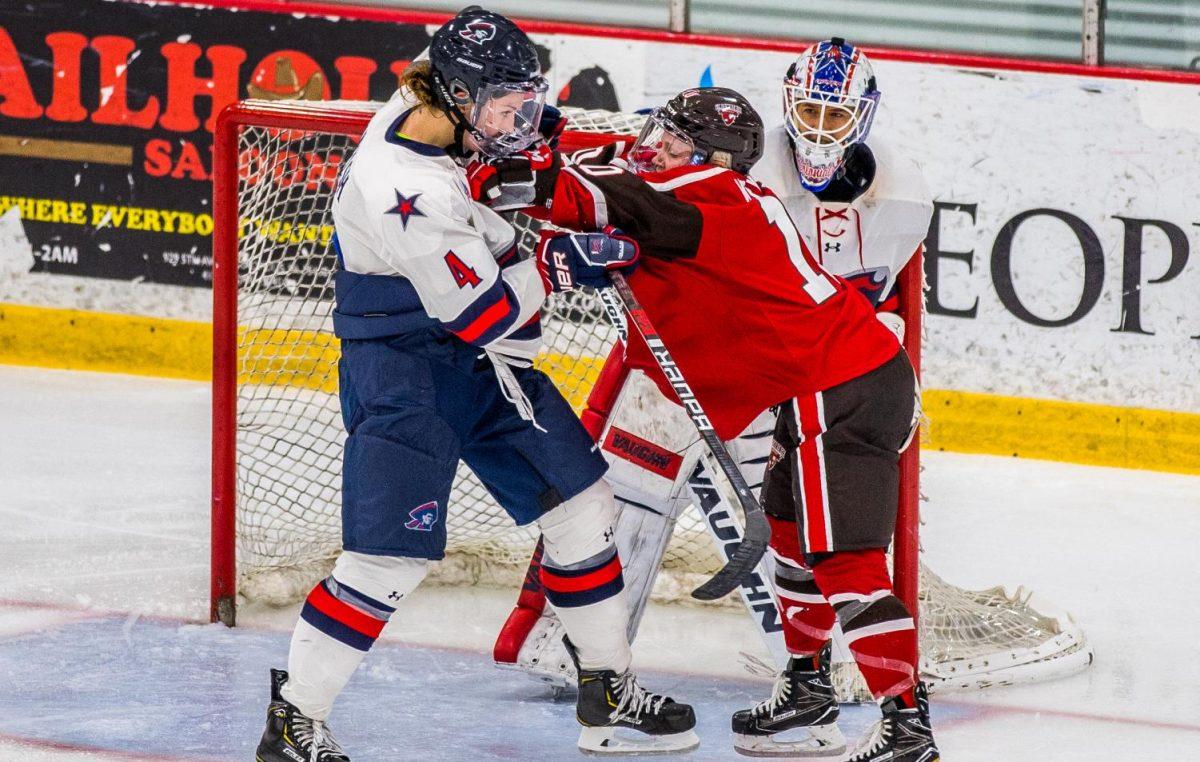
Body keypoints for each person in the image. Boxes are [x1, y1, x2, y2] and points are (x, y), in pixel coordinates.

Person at [255, 8, 697, 761]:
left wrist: (519, 138)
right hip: (407, 372)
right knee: (388, 560)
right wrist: (557, 265)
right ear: (457, 95)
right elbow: (489, 316)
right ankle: (296, 721)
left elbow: (494, 166)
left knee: (583, 507)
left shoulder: (436, 104)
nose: (519, 116)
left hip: (475, 362)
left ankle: (608, 684)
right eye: (504, 104)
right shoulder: (404, 187)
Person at [470, 83, 938, 761]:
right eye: (660, 131)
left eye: (674, 137)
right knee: (787, 540)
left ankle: (905, 726)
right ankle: (808, 690)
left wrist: (515, 167)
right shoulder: (718, 200)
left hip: (844, 390)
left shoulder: (704, 196)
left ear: (712, 155)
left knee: (847, 561)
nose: (656, 145)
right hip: (821, 386)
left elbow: (598, 198)